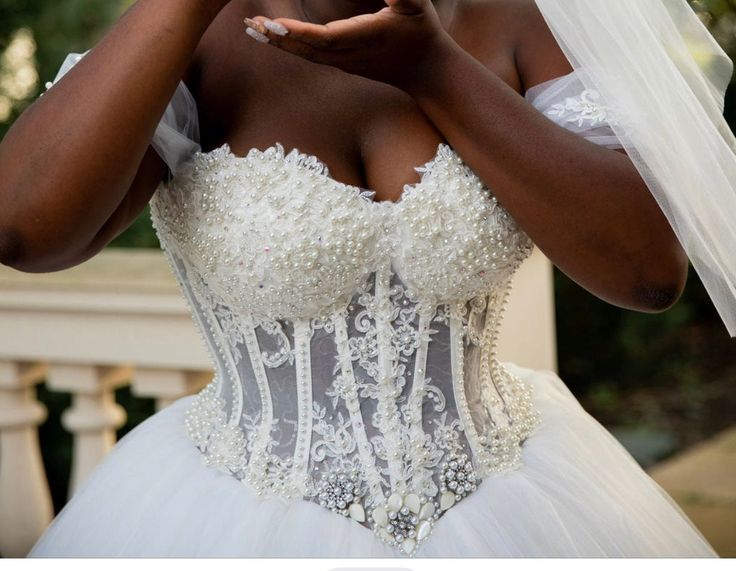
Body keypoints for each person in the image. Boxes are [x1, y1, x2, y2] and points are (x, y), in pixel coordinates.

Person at [0, 0, 726, 558]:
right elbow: (24, 228)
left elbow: (647, 270)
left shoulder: (513, 16)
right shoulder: (198, 40)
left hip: (516, 501)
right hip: (232, 515)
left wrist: (432, 68)